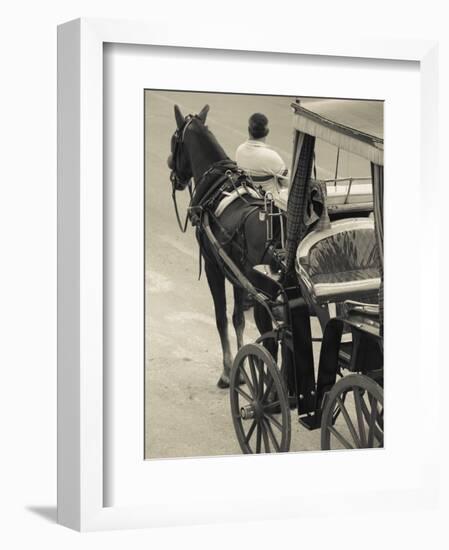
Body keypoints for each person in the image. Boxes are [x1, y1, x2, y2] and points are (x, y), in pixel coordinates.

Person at [235, 113, 289, 199]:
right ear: (267, 132)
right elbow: (288, 183)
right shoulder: (272, 156)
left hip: (248, 197)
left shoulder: (239, 150)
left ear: (249, 130)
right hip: (270, 202)